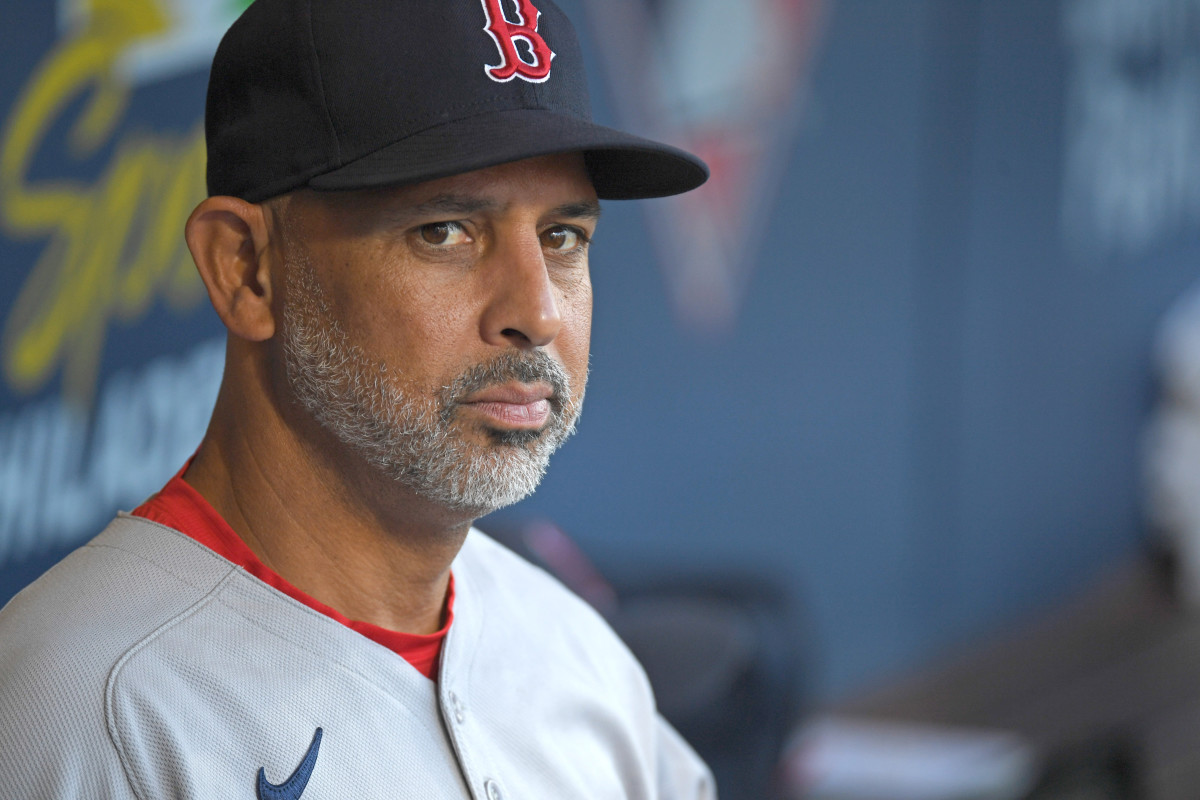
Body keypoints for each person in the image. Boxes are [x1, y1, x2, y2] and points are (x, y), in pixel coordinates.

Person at [0, 0, 714, 797]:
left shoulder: (580, 662)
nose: (538, 312)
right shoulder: (81, 712)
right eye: (445, 231)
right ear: (245, 269)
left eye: (562, 237)